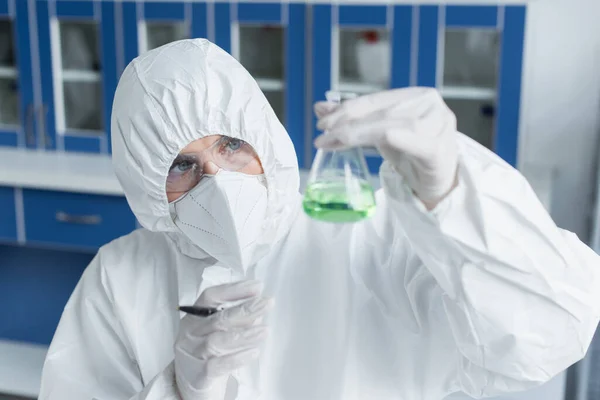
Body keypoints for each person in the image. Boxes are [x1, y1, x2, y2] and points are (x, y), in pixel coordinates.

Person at [39, 39, 600, 400]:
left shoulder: (380, 234)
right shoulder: (121, 277)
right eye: (184, 165)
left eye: (231, 145)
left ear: (261, 132)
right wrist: (177, 388)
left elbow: (548, 338)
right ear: (146, 183)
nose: (219, 182)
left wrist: (451, 194)